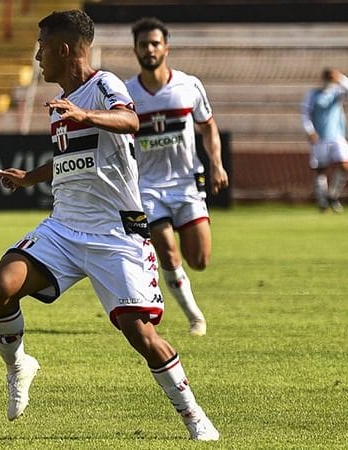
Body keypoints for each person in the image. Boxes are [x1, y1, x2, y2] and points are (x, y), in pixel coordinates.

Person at [0, 10, 219, 441]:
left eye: (41, 48)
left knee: (141, 335)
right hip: (64, 228)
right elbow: (70, 159)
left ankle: (194, 416)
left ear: (64, 49)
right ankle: (19, 364)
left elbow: (131, 121)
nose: (37, 57)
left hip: (116, 233)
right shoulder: (63, 104)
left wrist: (85, 115)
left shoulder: (104, 85)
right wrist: (29, 178)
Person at [123, 17, 229, 337]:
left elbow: (208, 126)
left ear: (166, 47)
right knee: (167, 250)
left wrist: (217, 164)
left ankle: (180, 283)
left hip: (186, 183)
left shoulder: (188, 85)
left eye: (155, 43)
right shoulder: (126, 94)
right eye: (143, 44)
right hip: (148, 187)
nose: (150, 49)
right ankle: (195, 317)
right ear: (136, 50)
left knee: (199, 259)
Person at [301, 68, 348, 213]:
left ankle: (333, 195)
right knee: (320, 169)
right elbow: (305, 113)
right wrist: (310, 130)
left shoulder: (337, 92)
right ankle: (322, 201)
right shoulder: (313, 94)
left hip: (338, 136)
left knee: (346, 165)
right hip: (320, 138)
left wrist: (341, 77)